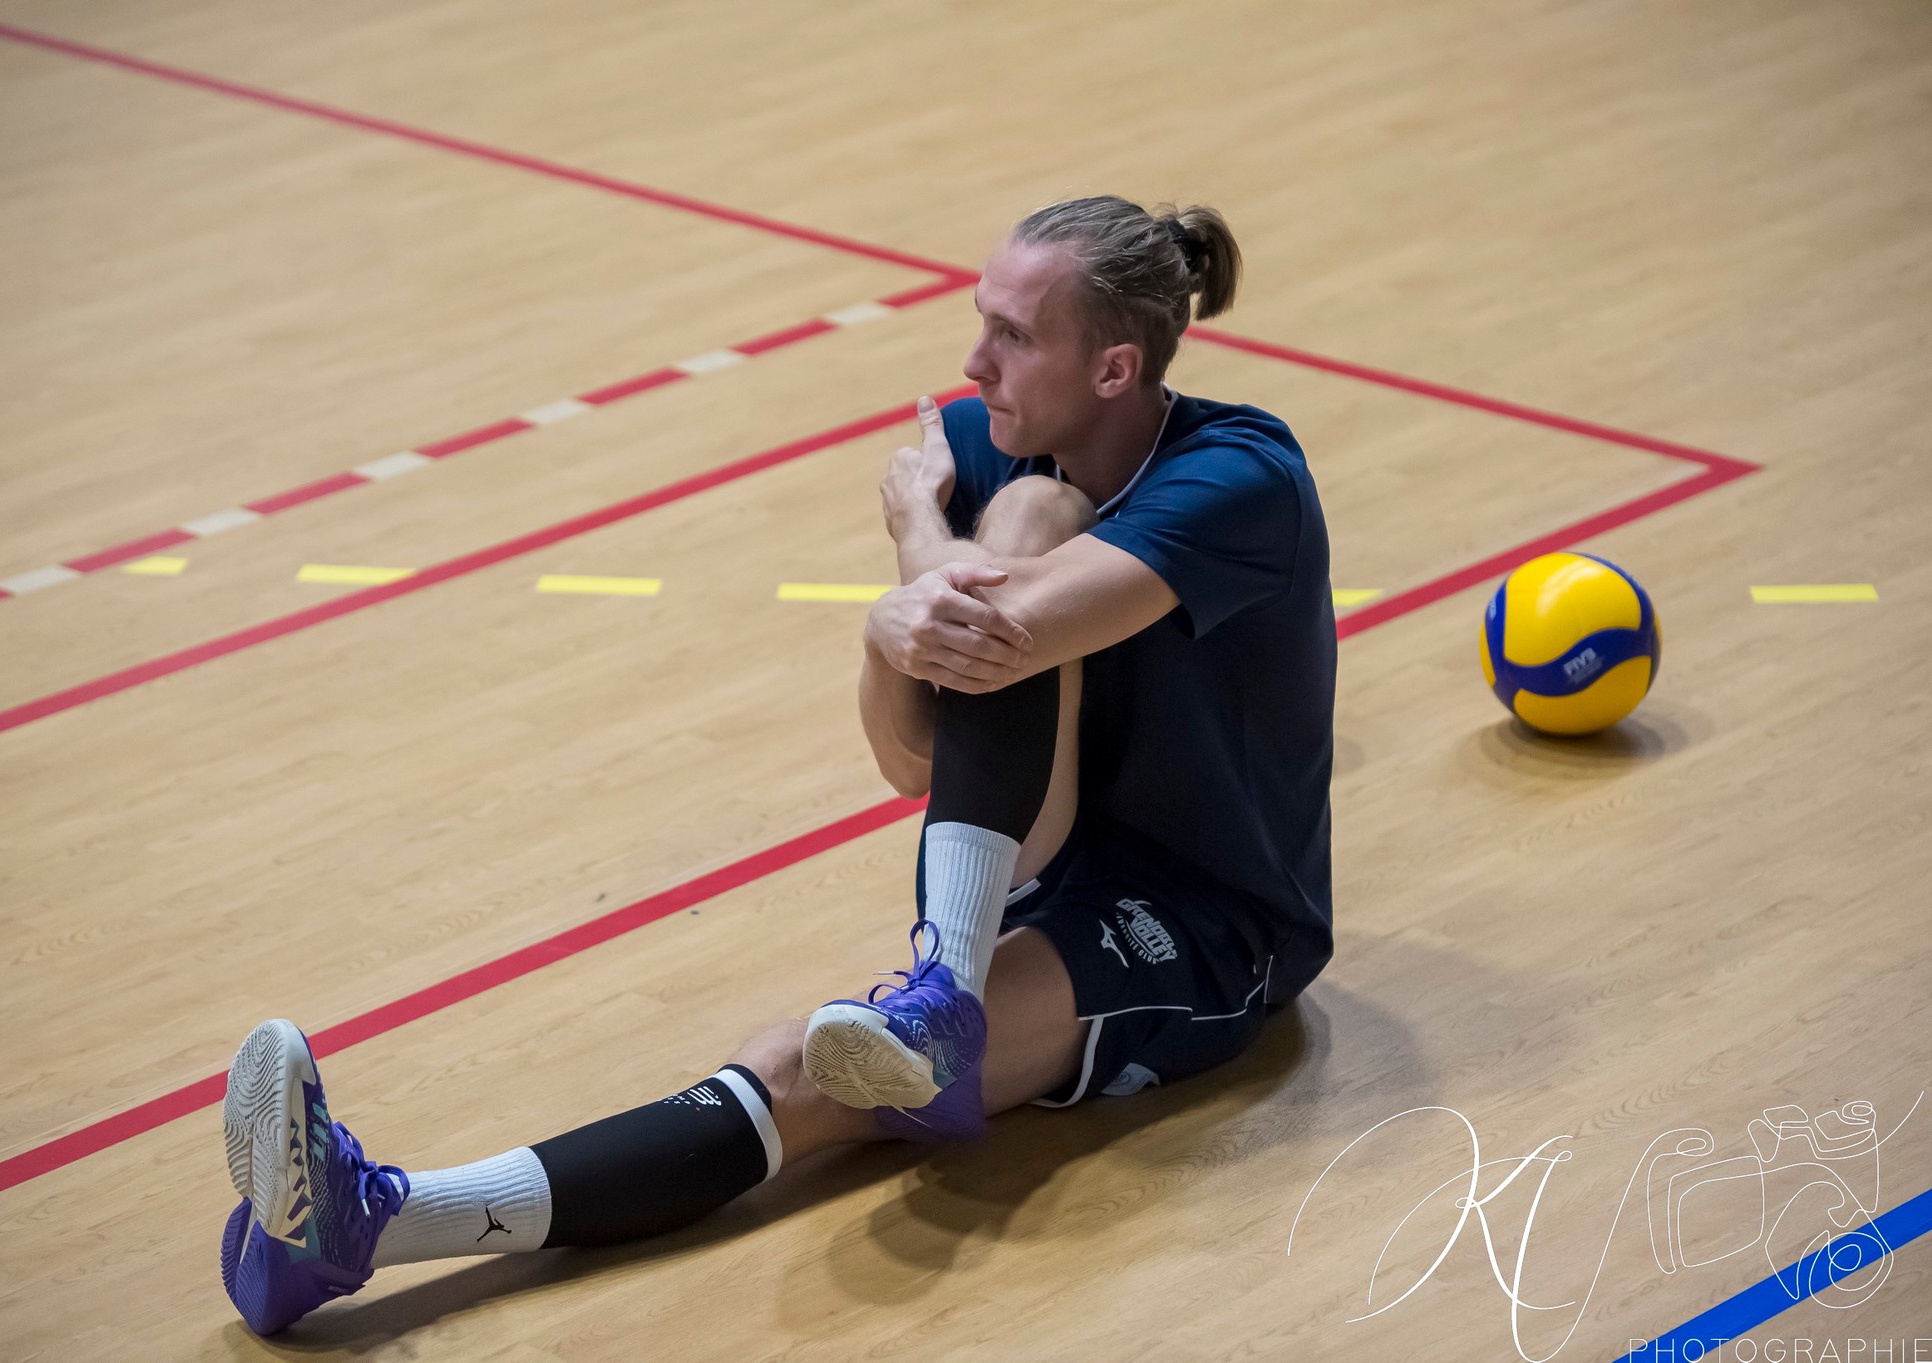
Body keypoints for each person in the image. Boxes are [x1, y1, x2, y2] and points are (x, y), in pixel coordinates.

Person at [216, 195, 1336, 1335]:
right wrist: (879, 628)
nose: (973, 360)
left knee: (805, 1064)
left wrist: (914, 544)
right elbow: (911, 758)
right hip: (1037, 862)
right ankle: (361, 1224)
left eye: (1012, 335)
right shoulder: (977, 448)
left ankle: (934, 989)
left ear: (1111, 369)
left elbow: (1002, 630)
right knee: (795, 1064)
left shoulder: (1240, 475)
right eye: (978, 321)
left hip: (1206, 925)